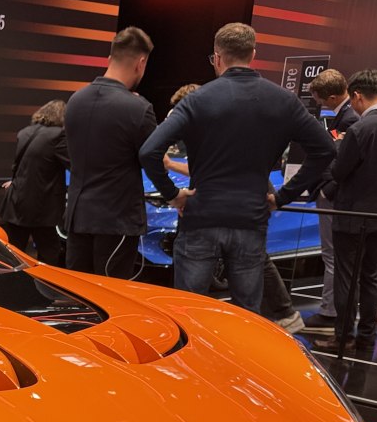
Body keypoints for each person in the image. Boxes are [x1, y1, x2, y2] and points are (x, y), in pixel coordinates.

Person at [139, 22, 334, 313]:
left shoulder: (197, 100)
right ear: (253, 54)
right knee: (246, 314)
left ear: (217, 58)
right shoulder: (283, 100)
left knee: (189, 311)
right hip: (250, 218)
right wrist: (283, 197)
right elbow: (325, 150)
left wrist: (173, 195)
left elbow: (149, 151)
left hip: (201, 217)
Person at [297, 69, 377, 352]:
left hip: (351, 213)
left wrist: (337, 147)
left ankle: (344, 335)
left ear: (357, 95)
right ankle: (367, 336)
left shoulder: (360, 129)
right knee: (372, 278)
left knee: (346, 277)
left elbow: (339, 171)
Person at [63, 27, 156, 278]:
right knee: (111, 292)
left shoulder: (75, 101)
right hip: (117, 221)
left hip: (78, 218)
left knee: (79, 291)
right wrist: (174, 195)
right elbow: (153, 160)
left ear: (109, 59)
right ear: (141, 63)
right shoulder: (138, 108)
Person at [293, 68, 358, 335]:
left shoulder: (349, 119)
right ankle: (333, 310)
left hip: (335, 196)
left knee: (332, 256)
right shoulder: (347, 115)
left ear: (331, 97)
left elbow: (342, 160)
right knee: (334, 256)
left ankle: (330, 311)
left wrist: (326, 190)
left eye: (319, 99)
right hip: (335, 194)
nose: (318, 104)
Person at [0, 100, 70, 265]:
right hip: (42, 206)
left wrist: (15, 182)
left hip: (16, 201)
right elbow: (74, 165)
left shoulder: (24, 132)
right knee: (49, 253)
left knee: (13, 254)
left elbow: (22, 165)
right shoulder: (58, 136)